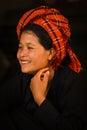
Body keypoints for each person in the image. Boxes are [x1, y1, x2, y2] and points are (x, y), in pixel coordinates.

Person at [0, 5, 87, 130]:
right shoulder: (21, 80)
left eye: (30, 47)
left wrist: (40, 99)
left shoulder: (73, 83)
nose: (21, 54)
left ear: (51, 53)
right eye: (20, 47)